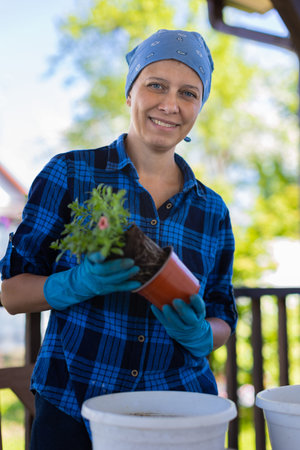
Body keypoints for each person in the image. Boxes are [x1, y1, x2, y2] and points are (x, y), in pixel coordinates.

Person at [0, 29, 237, 449]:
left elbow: (222, 317)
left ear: (199, 106)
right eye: (156, 85)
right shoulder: (69, 174)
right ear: (131, 93)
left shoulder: (212, 210)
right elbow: (11, 294)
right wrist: (72, 284)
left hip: (178, 410)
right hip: (72, 405)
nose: (170, 104)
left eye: (189, 93)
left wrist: (202, 333)